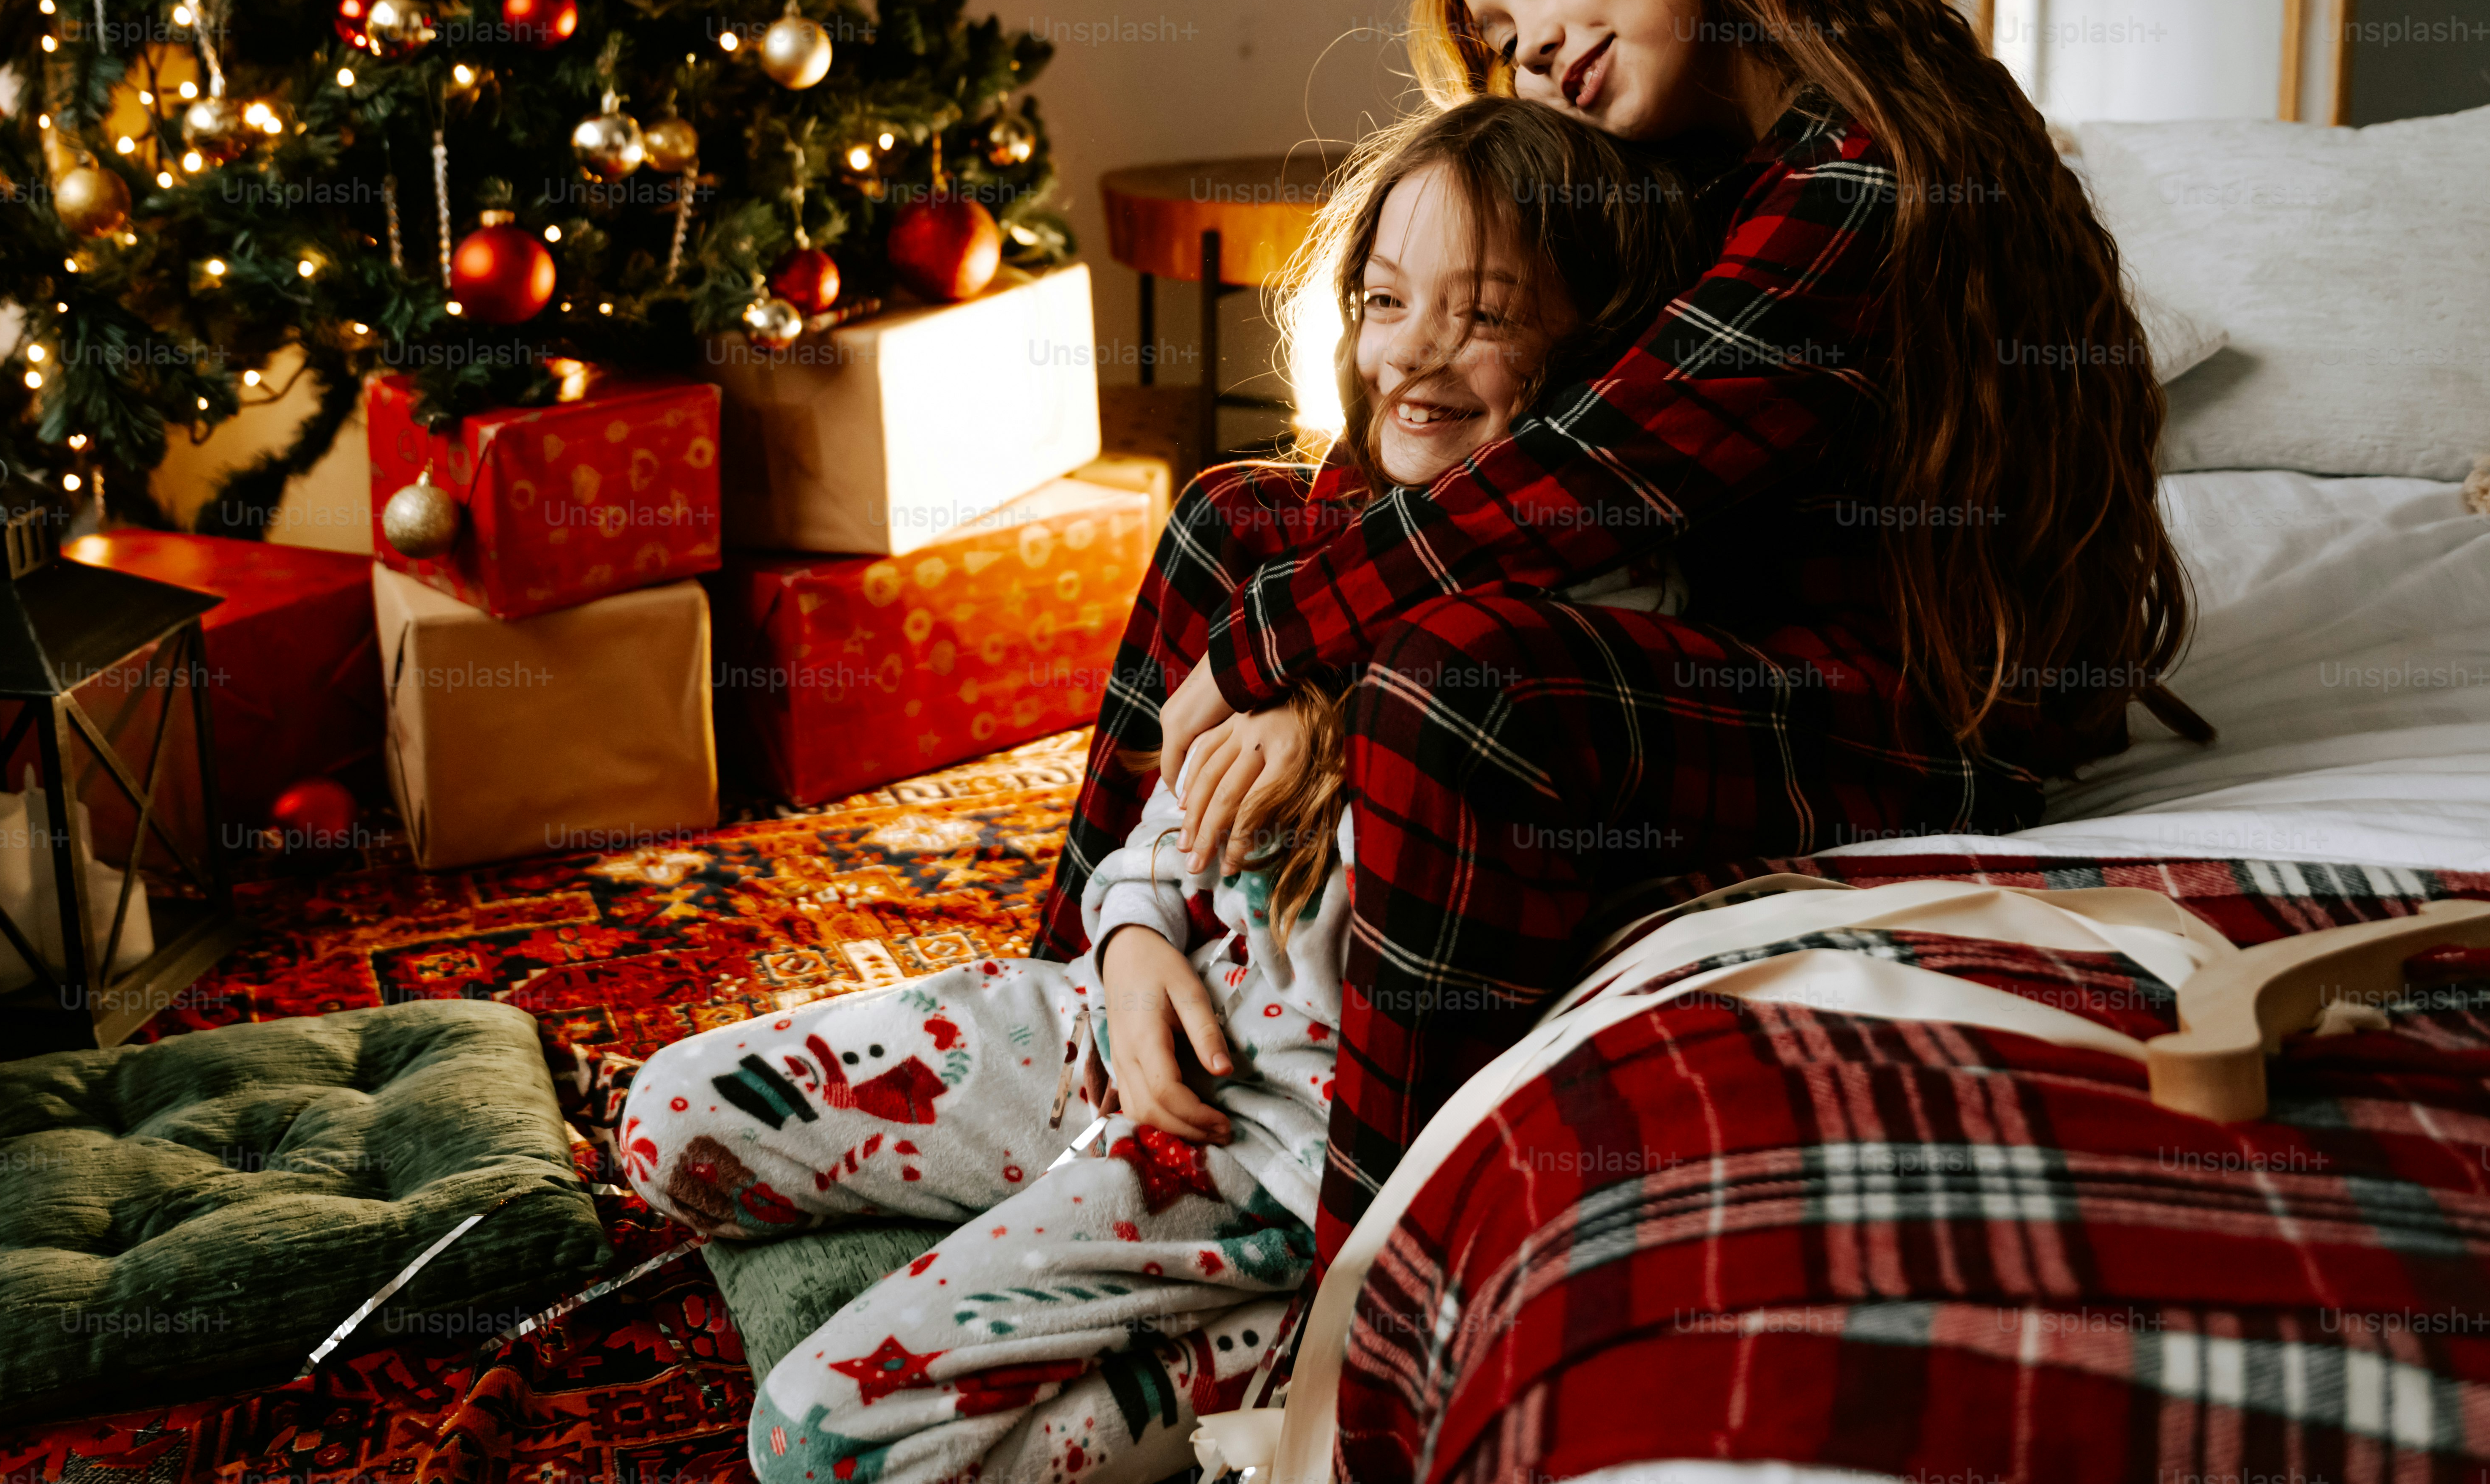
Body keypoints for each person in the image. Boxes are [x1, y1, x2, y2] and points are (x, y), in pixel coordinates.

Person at [1060, 0, 2198, 1266]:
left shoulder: (1873, 174)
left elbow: (1594, 475)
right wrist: (1292, 659)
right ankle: (1087, 994)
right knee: (1232, 517)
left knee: (1454, 676)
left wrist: (1284, 650)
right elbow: (1471, 441)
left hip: (1918, 719)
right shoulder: (1681, 180)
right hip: (1698, 630)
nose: (1524, 39)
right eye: (1492, 29)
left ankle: (1361, 1272)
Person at [621, 96, 1698, 1484]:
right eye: (1383, 301)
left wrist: (1350, 708)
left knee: (820, 1443)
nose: (1414, 354)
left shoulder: (1586, 644)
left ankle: (1262, 1341)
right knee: (666, 1122)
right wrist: (1129, 946)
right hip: (1119, 1025)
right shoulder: (1333, 572)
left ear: (1594, 361)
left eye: (1483, 315)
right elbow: (1167, 825)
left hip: (1272, 1162)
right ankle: (1055, 1204)